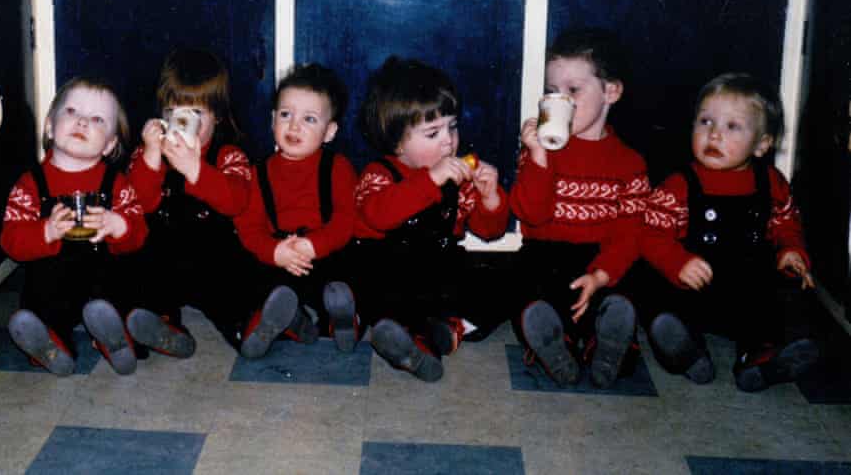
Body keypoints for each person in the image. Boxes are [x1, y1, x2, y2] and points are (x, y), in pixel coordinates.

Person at [642, 72, 819, 392]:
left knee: (786, 292)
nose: (714, 134)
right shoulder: (679, 184)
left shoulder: (772, 182)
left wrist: (791, 250)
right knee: (658, 295)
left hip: (746, 288)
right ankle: (687, 351)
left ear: (762, 144)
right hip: (694, 285)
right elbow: (650, 233)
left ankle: (760, 356)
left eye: (732, 126)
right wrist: (675, 261)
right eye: (705, 121)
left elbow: (786, 221)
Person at [353, 56, 509, 382]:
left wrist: (490, 197)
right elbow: (378, 215)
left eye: (452, 126)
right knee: (385, 295)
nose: (448, 141)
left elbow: (488, 232)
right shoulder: (379, 173)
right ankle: (413, 341)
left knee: (503, 282)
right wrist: (430, 180)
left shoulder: (459, 179)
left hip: (440, 273)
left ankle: (446, 331)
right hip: (394, 274)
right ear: (397, 142)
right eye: (432, 133)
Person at [509, 28, 649, 389]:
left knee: (624, 289)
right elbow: (530, 214)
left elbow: (630, 234)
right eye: (552, 91)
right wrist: (538, 158)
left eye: (573, 90)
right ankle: (556, 345)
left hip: (600, 258)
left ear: (611, 92)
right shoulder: (541, 150)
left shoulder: (629, 163)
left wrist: (601, 275)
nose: (561, 101)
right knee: (526, 283)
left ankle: (608, 345)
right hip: (546, 252)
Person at [3, 77, 147, 376]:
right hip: (55, 280)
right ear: (49, 126)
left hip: (102, 277)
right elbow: (10, 240)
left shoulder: (117, 184)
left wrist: (119, 225)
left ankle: (116, 336)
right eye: (71, 111)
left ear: (109, 144)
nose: (82, 121)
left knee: (123, 281)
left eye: (97, 119)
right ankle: (50, 341)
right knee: (42, 288)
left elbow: (139, 234)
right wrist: (45, 232)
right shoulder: (29, 184)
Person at [124, 48, 254, 358]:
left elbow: (236, 201)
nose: (182, 123)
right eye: (173, 112)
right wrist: (151, 157)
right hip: (164, 257)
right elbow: (137, 205)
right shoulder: (149, 153)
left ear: (218, 115)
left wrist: (195, 169)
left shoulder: (227, 154)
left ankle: (244, 326)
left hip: (212, 259)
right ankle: (161, 326)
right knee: (139, 270)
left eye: (195, 113)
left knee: (233, 282)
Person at [233, 63, 360, 357]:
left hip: (324, 256)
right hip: (279, 258)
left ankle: (342, 319)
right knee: (251, 277)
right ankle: (282, 321)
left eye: (309, 119)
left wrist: (312, 246)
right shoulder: (256, 173)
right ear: (272, 120)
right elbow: (249, 228)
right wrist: (275, 252)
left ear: (329, 132)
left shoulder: (338, 168)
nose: (294, 126)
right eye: (285, 115)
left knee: (347, 276)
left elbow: (345, 221)